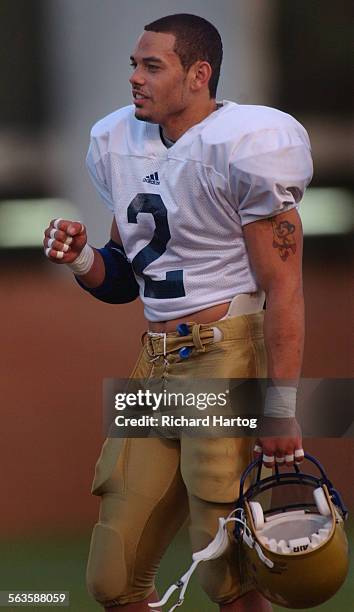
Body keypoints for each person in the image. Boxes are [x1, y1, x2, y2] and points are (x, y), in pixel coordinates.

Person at [43, 13, 313, 612]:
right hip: (157, 359)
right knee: (113, 577)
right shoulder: (118, 139)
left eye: (151, 66)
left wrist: (281, 406)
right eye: (133, 66)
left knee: (228, 569)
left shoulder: (246, 143)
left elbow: (285, 289)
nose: (135, 78)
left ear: (199, 75)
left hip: (227, 349)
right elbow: (122, 279)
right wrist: (82, 255)